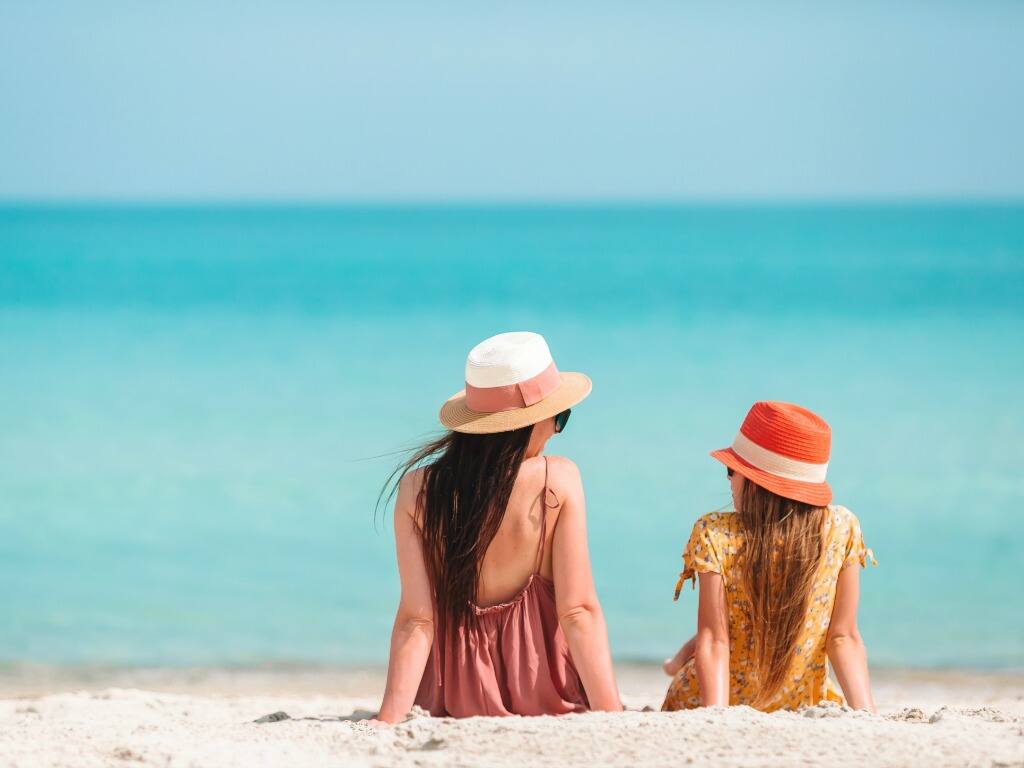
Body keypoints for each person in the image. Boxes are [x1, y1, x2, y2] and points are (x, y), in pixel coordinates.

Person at [373, 331, 622, 723]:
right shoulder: (556, 479)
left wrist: (386, 718)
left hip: (453, 698)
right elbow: (578, 611)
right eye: (559, 418)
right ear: (527, 422)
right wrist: (613, 712)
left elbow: (416, 619)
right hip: (544, 689)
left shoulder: (418, 489)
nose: (557, 431)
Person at [662, 401, 876, 712]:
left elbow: (715, 641)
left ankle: (674, 663)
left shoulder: (715, 533)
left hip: (714, 695)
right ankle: (676, 660)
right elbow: (843, 637)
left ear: (756, 482)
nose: (728, 480)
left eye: (731, 470)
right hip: (802, 701)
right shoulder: (841, 528)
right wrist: (867, 714)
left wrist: (716, 715)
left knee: (709, 637)